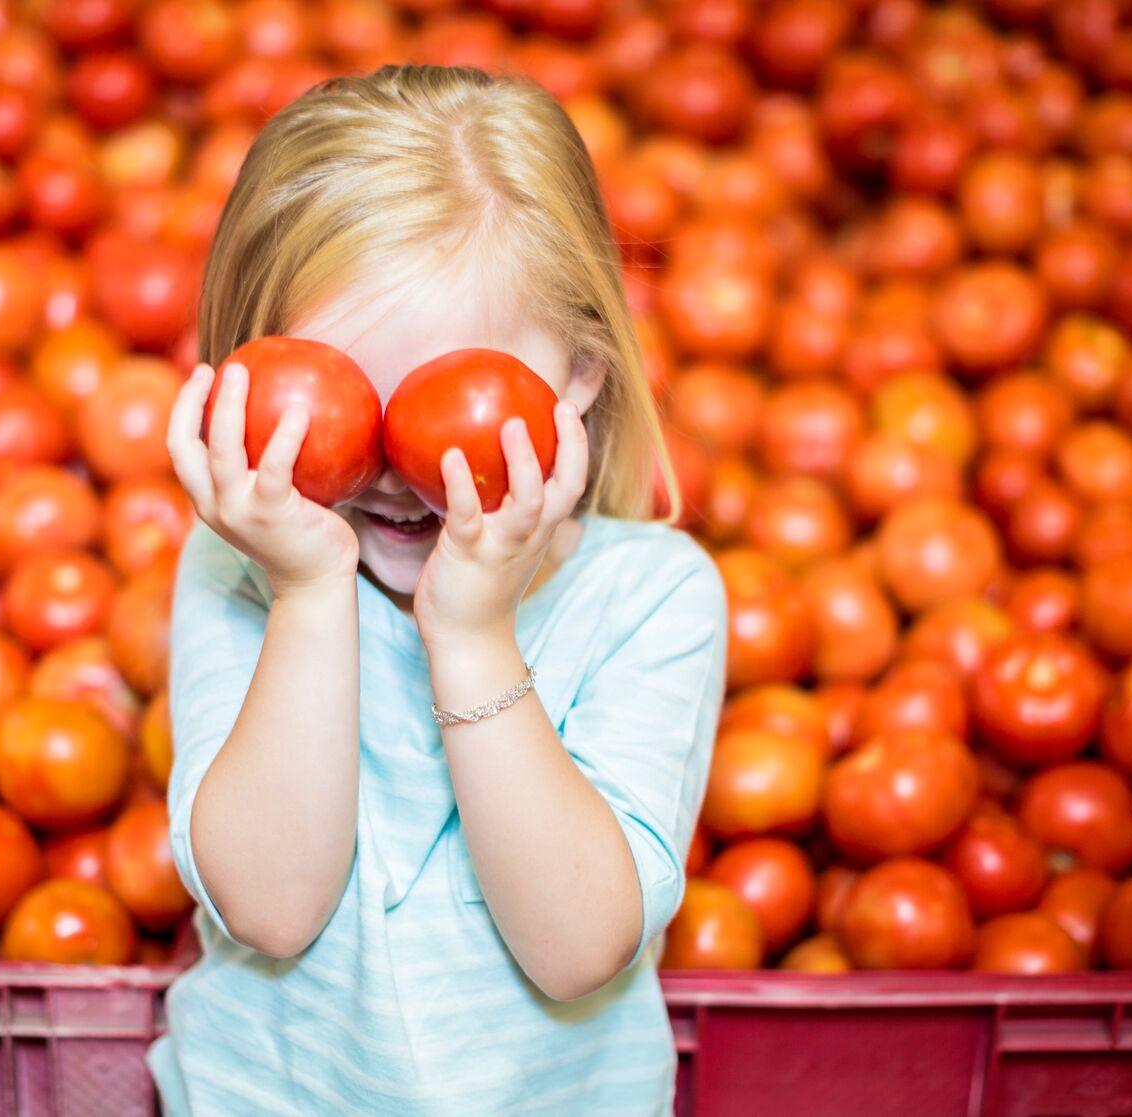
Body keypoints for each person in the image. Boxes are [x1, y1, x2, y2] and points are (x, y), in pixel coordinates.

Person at [150, 64, 728, 1116]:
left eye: (454, 397)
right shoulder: (245, 567)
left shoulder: (652, 595)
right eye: (330, 395)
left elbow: (577, 949)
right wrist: (308, 590)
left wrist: (470, 634)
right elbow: (272, 910)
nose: (393, 464)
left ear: (583, 378)